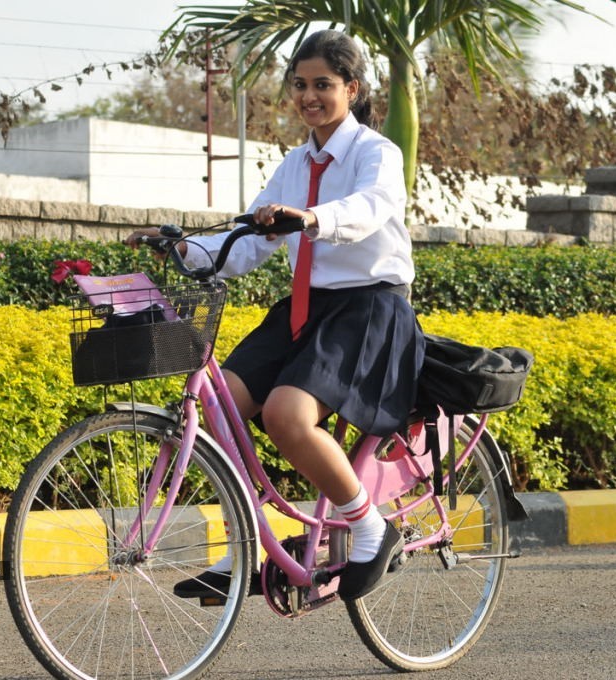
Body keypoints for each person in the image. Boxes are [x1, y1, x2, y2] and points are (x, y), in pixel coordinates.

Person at [126, 29, 424, 601]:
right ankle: (249, 541)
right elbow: (248, 241)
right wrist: (180, 246)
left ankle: (370, 526)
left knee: (287, 414)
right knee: (220, 408)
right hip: (305, 310)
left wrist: (310, 219)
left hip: (369, 310)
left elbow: (368, 209)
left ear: (351, 88)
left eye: (323, 85)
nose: (310, 96)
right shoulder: (294, 162)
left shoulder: (375, 153)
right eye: (300, 85)